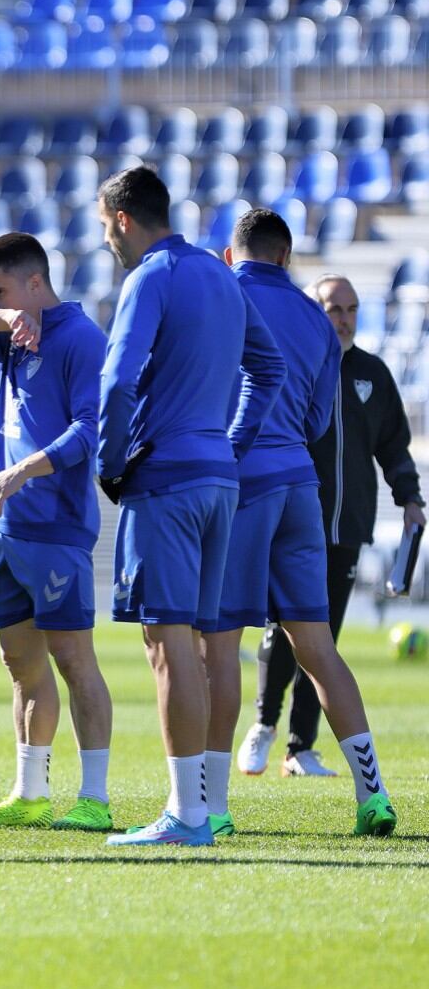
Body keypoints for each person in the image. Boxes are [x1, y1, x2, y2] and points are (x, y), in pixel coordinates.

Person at [93, 169, 285, 848]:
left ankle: (186, 815)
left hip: (166, 481)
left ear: (121, 219)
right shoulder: (219, 275)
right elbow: (271, 370)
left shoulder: (150, 276)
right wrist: (229, 447)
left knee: (167, 645)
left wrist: (107, 463)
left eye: (103, 226)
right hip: (217, 483)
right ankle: (200, 805)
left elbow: (116, 382)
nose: (105, 240)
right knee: (206, 649)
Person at [200, 212, 395, 836]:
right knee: (318, 647)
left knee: (219, 645)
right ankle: (374, 795)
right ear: (286, 256)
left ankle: (210, 806)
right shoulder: (315, 319)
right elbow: (317, 421)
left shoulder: (221, 293)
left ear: (233, 253)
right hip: (300, 488)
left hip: (241, 485)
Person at [0, 233, 117, 833]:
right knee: (21, 665)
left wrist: (24, 467)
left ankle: (94, 799)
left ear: (37, 283)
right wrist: (1, 311)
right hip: (9, 530)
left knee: (74, 661)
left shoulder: (82, 340)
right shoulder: (14, 328)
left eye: (0, 288)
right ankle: (30, 792)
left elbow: (92, 431)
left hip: (56, 528)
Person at [246, 273, 425, 778]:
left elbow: (393, 447)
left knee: (325, 641)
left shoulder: (374, 373)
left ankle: (300, 748)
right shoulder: (296, 364)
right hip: (294, 520)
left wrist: (409, 498)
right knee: (282, 629)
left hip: (348, 528)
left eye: (350, 309)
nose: (343, 319)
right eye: (332, 309)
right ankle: (262, 725)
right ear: (313, 312)